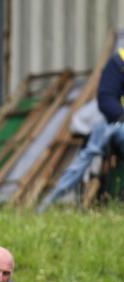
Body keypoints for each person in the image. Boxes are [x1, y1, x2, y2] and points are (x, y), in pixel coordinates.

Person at [39, 48, 124, 212]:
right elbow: (106, 99)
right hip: (119, 125)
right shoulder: (119, 61)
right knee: (99, 137)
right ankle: (50, 202)